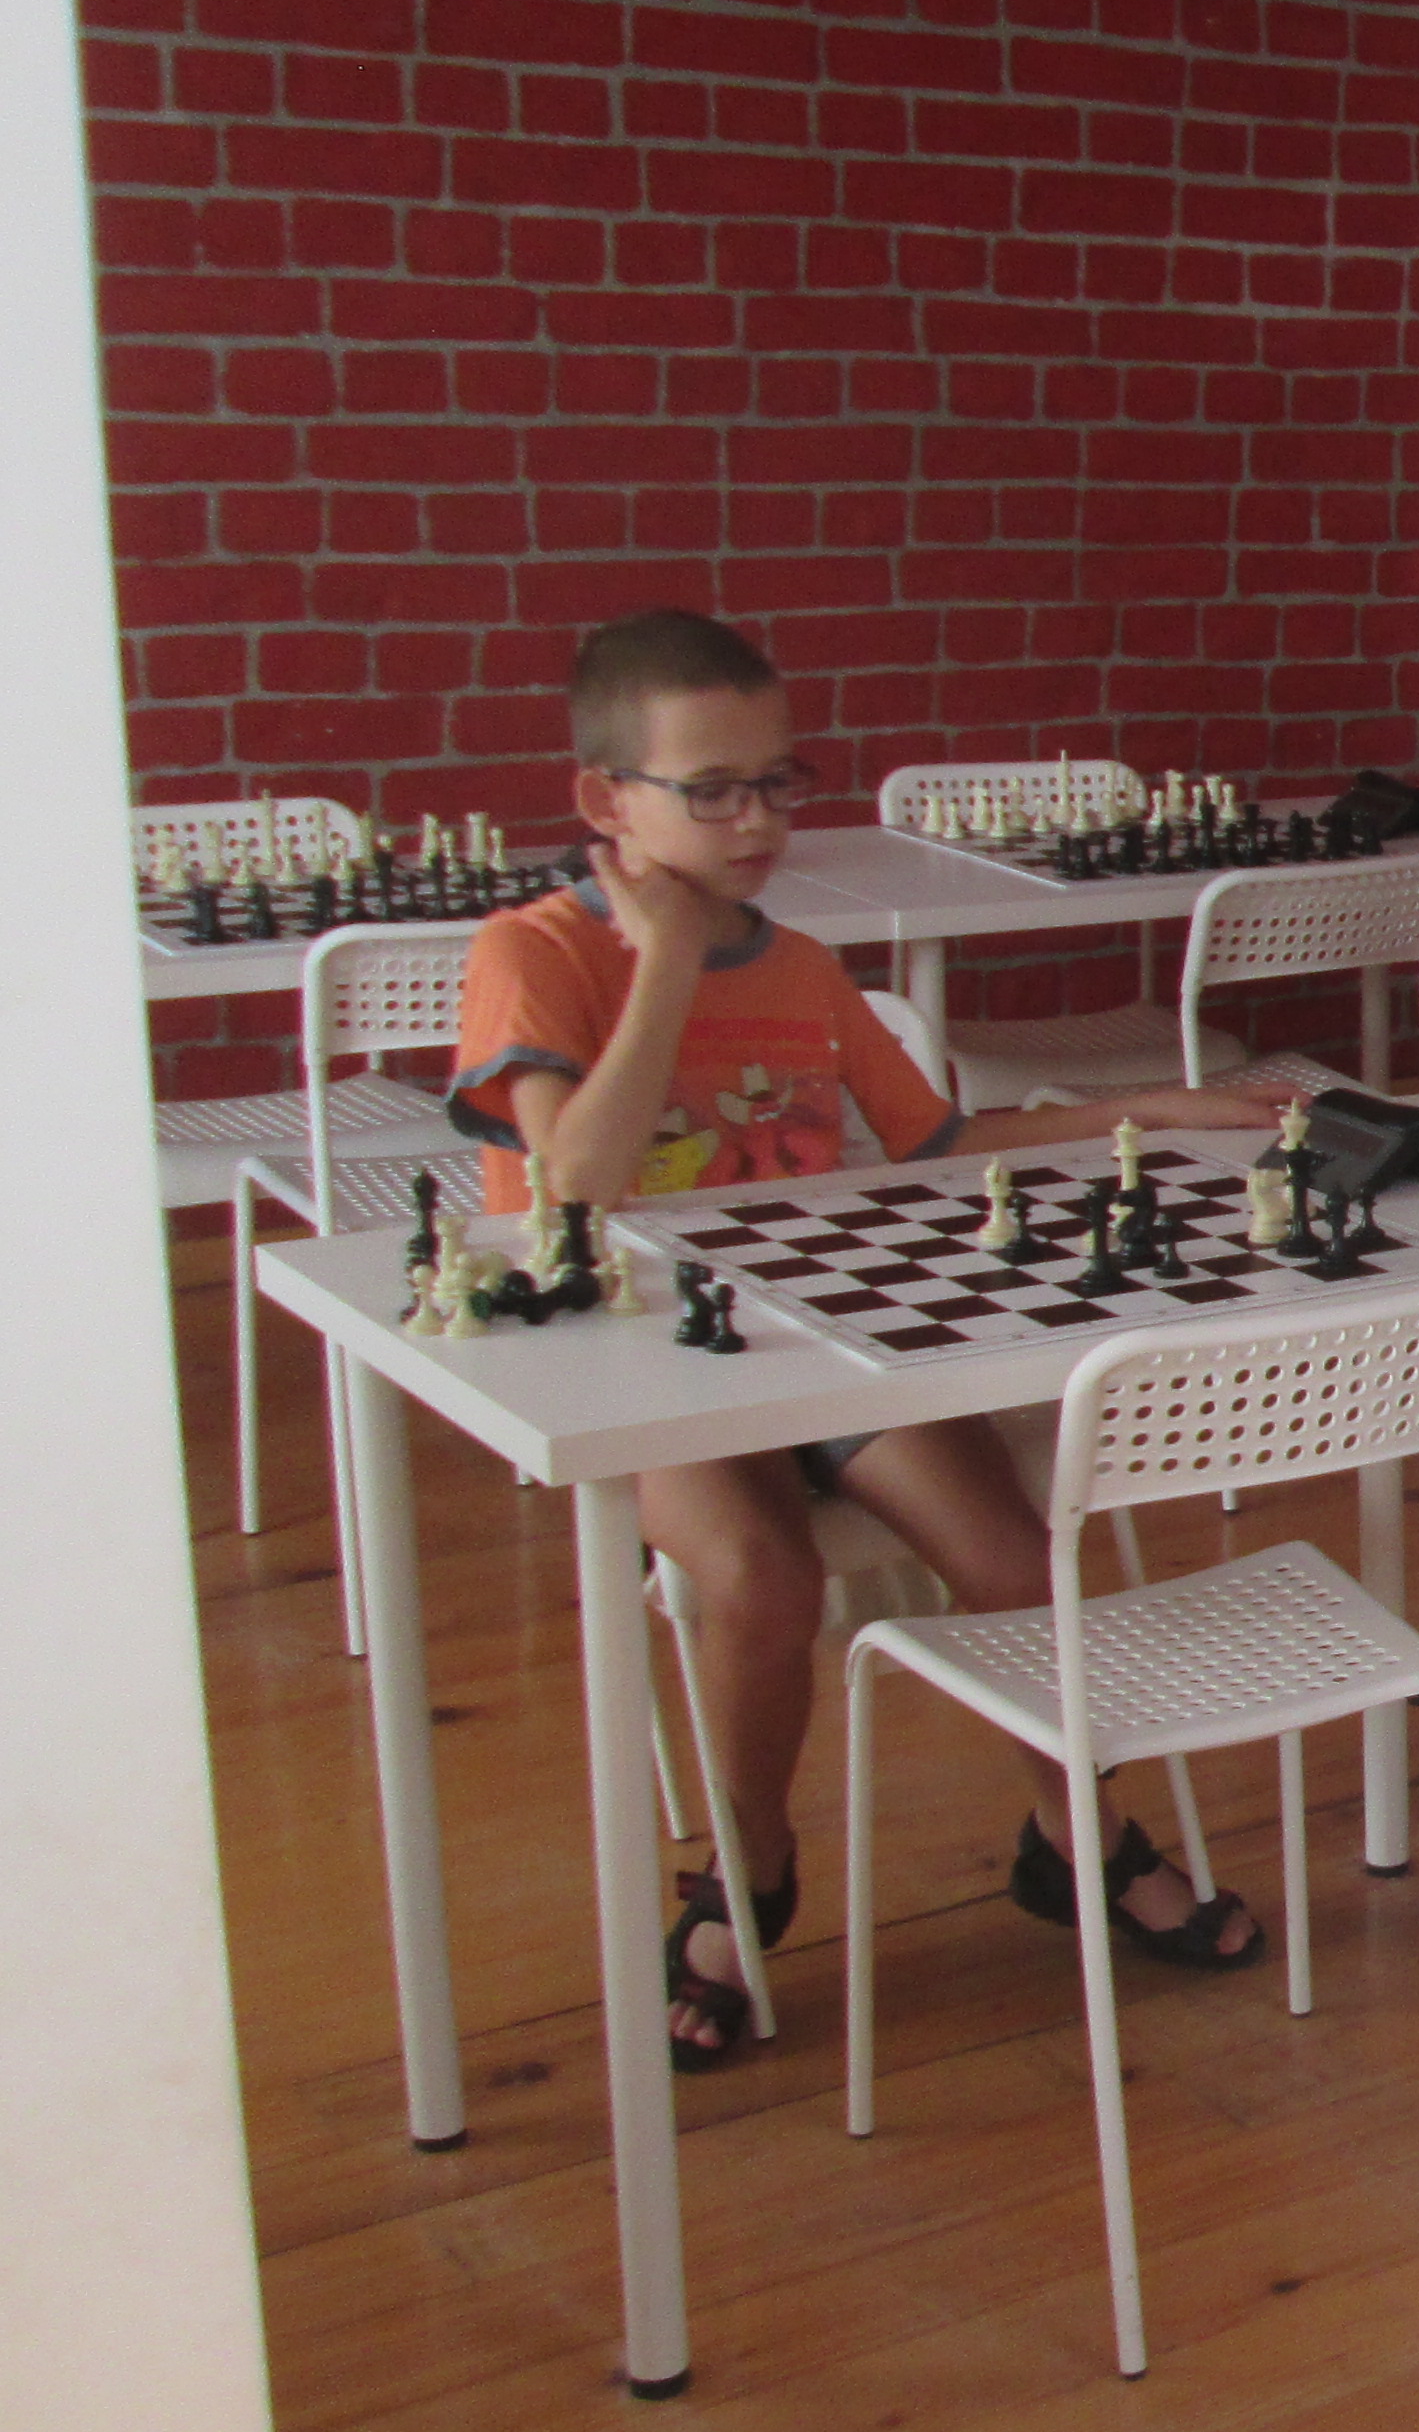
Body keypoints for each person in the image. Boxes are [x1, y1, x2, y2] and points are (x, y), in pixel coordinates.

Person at [446, 609, 1288, 2067]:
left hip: (814, 1339)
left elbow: (937, 1144)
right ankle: (749, 1866)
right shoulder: (533, 953)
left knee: (1015, 1556)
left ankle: (1073, 1838)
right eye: (713, 790)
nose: (758, 820)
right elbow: (572, 1183)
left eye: (778, 782)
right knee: (760, 1579)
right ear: (605, 801)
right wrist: (663, 959)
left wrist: (1147, 1109)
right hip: (628, 1358)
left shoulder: (801, 965)